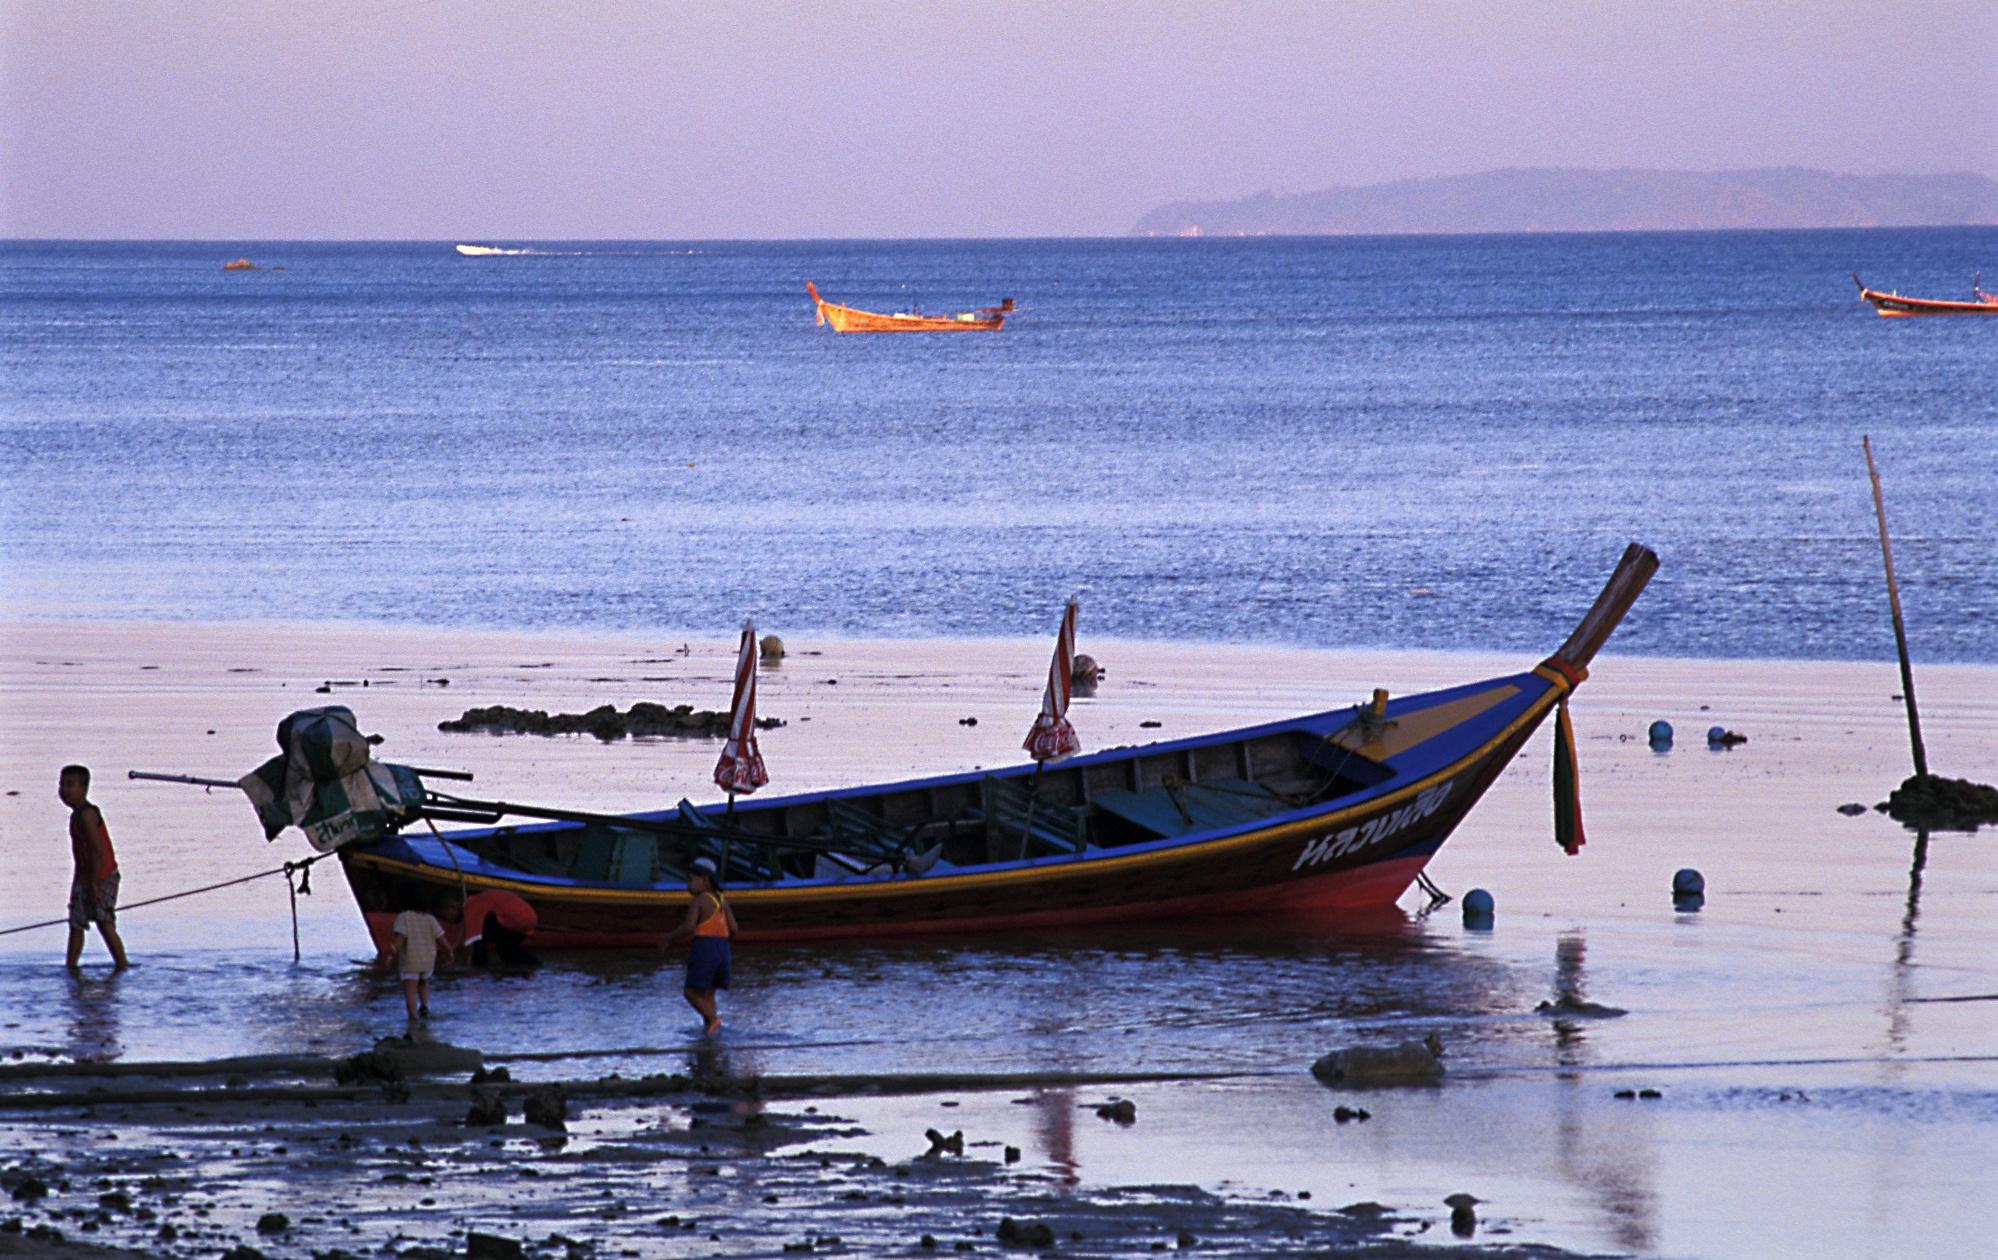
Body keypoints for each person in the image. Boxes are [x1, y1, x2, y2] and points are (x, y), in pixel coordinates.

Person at [60, 765, 129, 973]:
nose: (64, 790)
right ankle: (71, 967)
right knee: (76, 922)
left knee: (103, 921)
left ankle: (122, 964)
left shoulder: (87, 815)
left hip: (103, 876)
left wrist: (93, 886)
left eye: (70, 785)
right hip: (85, 877)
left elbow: (96, 851)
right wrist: (78, 884)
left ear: (84, 789)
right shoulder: (75, 816)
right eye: (62, 784)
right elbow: (80, 856)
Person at [661, 857, 736, 1035]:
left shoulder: (699, 901)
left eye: (690, 880)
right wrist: (724, 943)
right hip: (723, 948)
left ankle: (713, 1020)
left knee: (690, 991)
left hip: (705, 947)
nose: (687, 885)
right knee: (708, 993)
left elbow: (688, 927)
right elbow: (734, 928)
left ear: (704, 881)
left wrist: (668, 939)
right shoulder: (722, 901)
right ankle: (709, 1029)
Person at [390, 893, 452, 1020]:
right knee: (423, 983)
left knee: (410, 990)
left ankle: (413, 1017)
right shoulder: (430, 919)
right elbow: (440, 937)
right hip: (427, 962)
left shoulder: (404, 918)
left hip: (411, 962)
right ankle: (424, 1007)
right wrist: (449, 950)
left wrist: (390, 953)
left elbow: (399, 939)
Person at [455, 888, 540, 966]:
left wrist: (467, 968)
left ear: (452, 907)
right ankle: (534, 965)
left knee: (480, 940)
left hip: (515, 919)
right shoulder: (479, 900)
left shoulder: (470, 906)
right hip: (530, 919)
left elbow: (470, 943)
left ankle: (480, 966)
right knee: (504, 949)